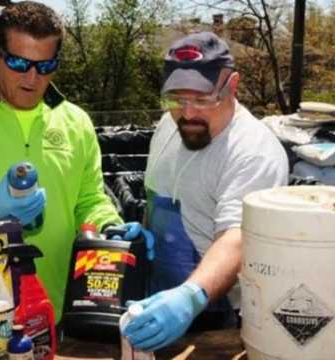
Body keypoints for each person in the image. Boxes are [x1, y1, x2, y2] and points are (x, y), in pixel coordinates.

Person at [0, 1, 150, 320]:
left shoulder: (76, 122)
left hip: (62, 307)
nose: (32, 78)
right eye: (19, 63)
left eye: (45, 66)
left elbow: (90, 199)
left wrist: (110, 226)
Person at [122, 32, 289, 351]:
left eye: (202, 99)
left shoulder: (252, 151)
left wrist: (189, 297)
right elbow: (165, 194)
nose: (187, 113)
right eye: (177, 99)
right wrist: (144, 233)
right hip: (157, 301)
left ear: (233, 85)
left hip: (217, 317)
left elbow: (238, 237)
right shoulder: (168, 126)